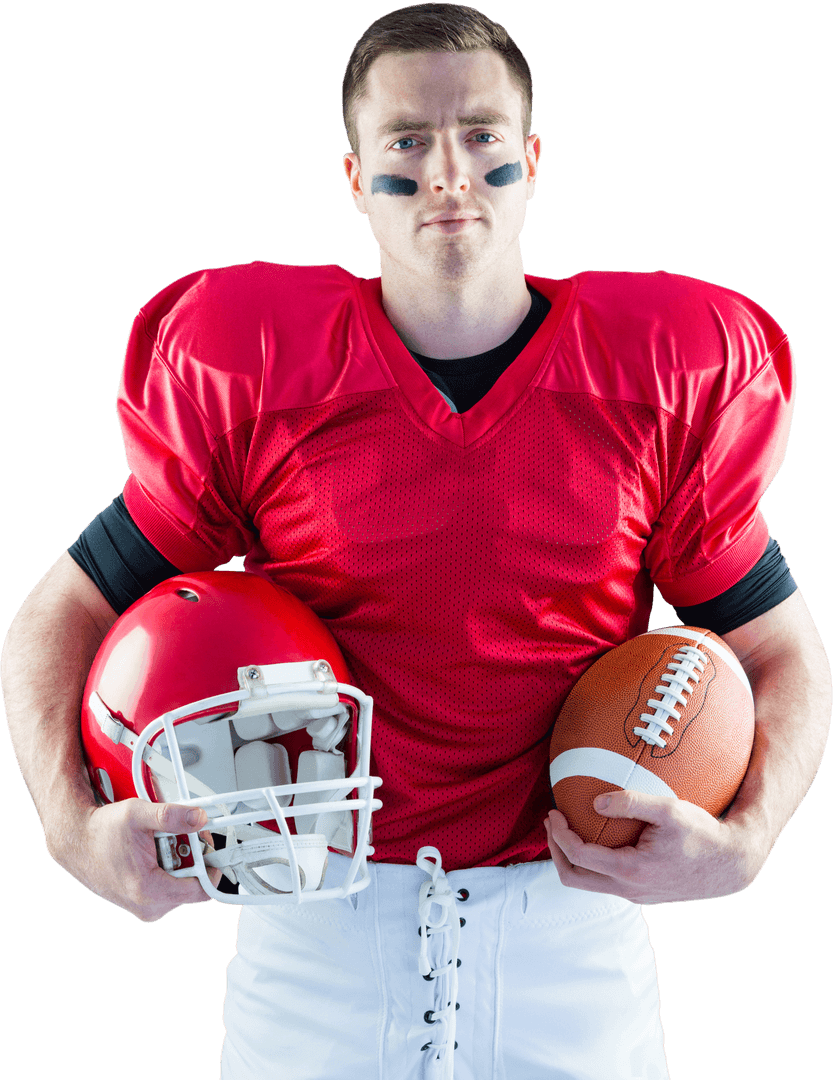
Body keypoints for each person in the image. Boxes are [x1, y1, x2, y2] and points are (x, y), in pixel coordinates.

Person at [2, 4, 830, 1079]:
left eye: (481, 135)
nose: (448, 170)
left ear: (529, 164)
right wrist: (69, 829)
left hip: (571, 937)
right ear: (355, 178)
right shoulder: (257, 376)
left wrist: (748, 840)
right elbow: (54, 616)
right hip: (313, 939)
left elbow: (781, 655)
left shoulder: (655, 383)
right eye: (407, 140)